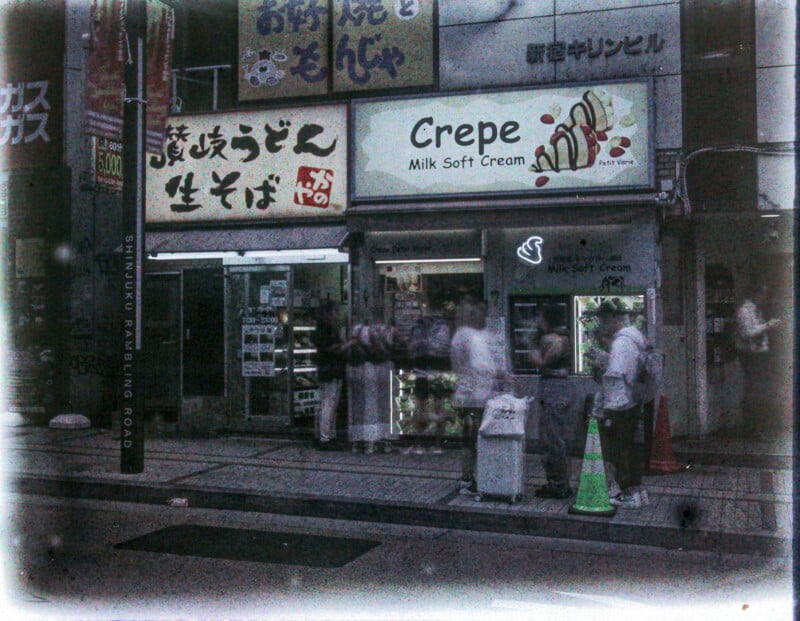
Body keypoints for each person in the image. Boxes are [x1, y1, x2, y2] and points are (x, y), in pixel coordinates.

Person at [587, 298, 650, 509]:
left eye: (603, 319)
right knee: (629, 449)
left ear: (613, 318)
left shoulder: (622, 343)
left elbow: (614, 376)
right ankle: (637, 493)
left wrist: (601, 363)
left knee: (615, 451)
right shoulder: (635, 338)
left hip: (618, 406)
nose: (601, 324)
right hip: (631, 403)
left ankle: (622, 493)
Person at [449, 297, 498, 495]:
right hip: (470, 396)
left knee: (477, 439)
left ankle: (475, 477)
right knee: (471, 439)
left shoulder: (475, 334)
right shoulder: (464, 335)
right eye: (473, 312)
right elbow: (474, 365)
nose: (478, 316)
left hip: (478, 395)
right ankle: (467, 479)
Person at [529, 302, 575, 499]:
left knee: (553, 437)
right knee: (552, 436)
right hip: (556, 388)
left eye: (541, 317)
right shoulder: (561, 337)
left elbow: (541, 362)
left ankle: (559, 484)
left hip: (554, 389)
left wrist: (531, 346)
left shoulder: (555, 340)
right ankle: (557, 482)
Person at [346, 308, 398, 454]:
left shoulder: (355, 330)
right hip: (378, 368)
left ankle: (358, 441)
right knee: (381, 404)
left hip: (355, 369)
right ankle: (379, 440)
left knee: (358, 406)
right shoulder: (387, 330)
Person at [734, 281, 782, 434]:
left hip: (760, 352)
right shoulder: (744, 311)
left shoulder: (757, 310)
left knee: (761, 389)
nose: (764, 298)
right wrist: (767, 326)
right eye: (762, 294)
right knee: (754, 389)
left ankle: (760, 425)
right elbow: (747, 332)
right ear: (755, 294)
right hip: (751, 354)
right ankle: (752, 426)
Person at [314, 300, 346, 450]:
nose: (337, 315)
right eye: (335, 312)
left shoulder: (320, 328)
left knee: (325, 402)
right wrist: (346, 345)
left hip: (325, 368)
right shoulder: (327, 330)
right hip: (331, 368)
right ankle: (326, 437)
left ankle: (323, 435)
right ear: (329, 314)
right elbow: (331, 349)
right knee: (330, 403)